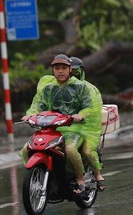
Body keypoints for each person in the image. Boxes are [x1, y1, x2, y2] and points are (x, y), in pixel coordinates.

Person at [20, 54, 94, 194]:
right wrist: (31, 114)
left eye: (63, 68)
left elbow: (89, 107)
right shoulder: (48, 88)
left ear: (70, 69)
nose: (60, 71)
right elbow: (38, 105)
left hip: (74, 128)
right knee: (26, 149)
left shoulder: (80, 87)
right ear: (52, 70)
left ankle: (80, 178)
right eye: (57, 68)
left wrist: (80, 115)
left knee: (70, 150)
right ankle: (35, 178)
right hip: (51, 128)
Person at [70, 57, 106, 191]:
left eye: (75, 71)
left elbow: (93, 109)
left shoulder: (89, 89)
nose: (73, 75)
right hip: (65, 126)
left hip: (87, 127)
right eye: (70, 71)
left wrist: (82, 116)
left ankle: (97, 174)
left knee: (87, 151)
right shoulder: (58, 88)